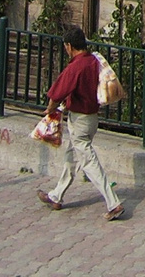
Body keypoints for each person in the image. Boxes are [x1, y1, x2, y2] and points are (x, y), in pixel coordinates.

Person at [37, 27, 123, 220]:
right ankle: (56, 196)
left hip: (80, 120)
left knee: (88, 161)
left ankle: (113, 203)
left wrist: (49, 110)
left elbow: (57, 94)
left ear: (69, 46)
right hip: (92, 118)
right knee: (71, 156)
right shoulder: (94, 60)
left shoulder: (75, 67)